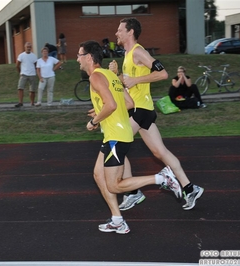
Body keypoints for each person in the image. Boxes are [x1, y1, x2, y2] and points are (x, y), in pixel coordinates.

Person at [78, 40, 181, 234]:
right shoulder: (110, 75)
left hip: (116, 135)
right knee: (98, 175)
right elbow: (129, 102)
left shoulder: (96, 78)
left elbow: (111, 105)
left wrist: (95, 120)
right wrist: (101, 110)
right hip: (117, 133)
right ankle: (117, 220)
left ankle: (162, 178)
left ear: (89, 57)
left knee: (114, 185)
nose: (77, 60)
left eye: (79, 55)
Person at [109, 17, 204, 211]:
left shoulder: (138, 52)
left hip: (140, 109)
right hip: (142, 109)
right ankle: (189, 187)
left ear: (130, 32)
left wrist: (136, 80)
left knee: (116, 145)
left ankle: (132, 192)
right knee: (159, 152)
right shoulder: (128, 55)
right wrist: (117, 75)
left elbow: (162, 74)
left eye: (120, 30)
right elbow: (128, 83)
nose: (116, 33)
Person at [15, 42, 38, 107]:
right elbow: (17, 65)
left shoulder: (34, 56)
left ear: (31, 48)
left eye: (30, 47)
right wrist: (20, 72)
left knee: (32, 89)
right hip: (24, 74)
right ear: (25, 47)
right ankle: (20, 102)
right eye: (27, 47)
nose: (28, 48)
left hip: (32, 74)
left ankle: (32, 102)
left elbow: (36, 65)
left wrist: (37, 73)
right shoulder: (21, 55)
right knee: (20, 88)